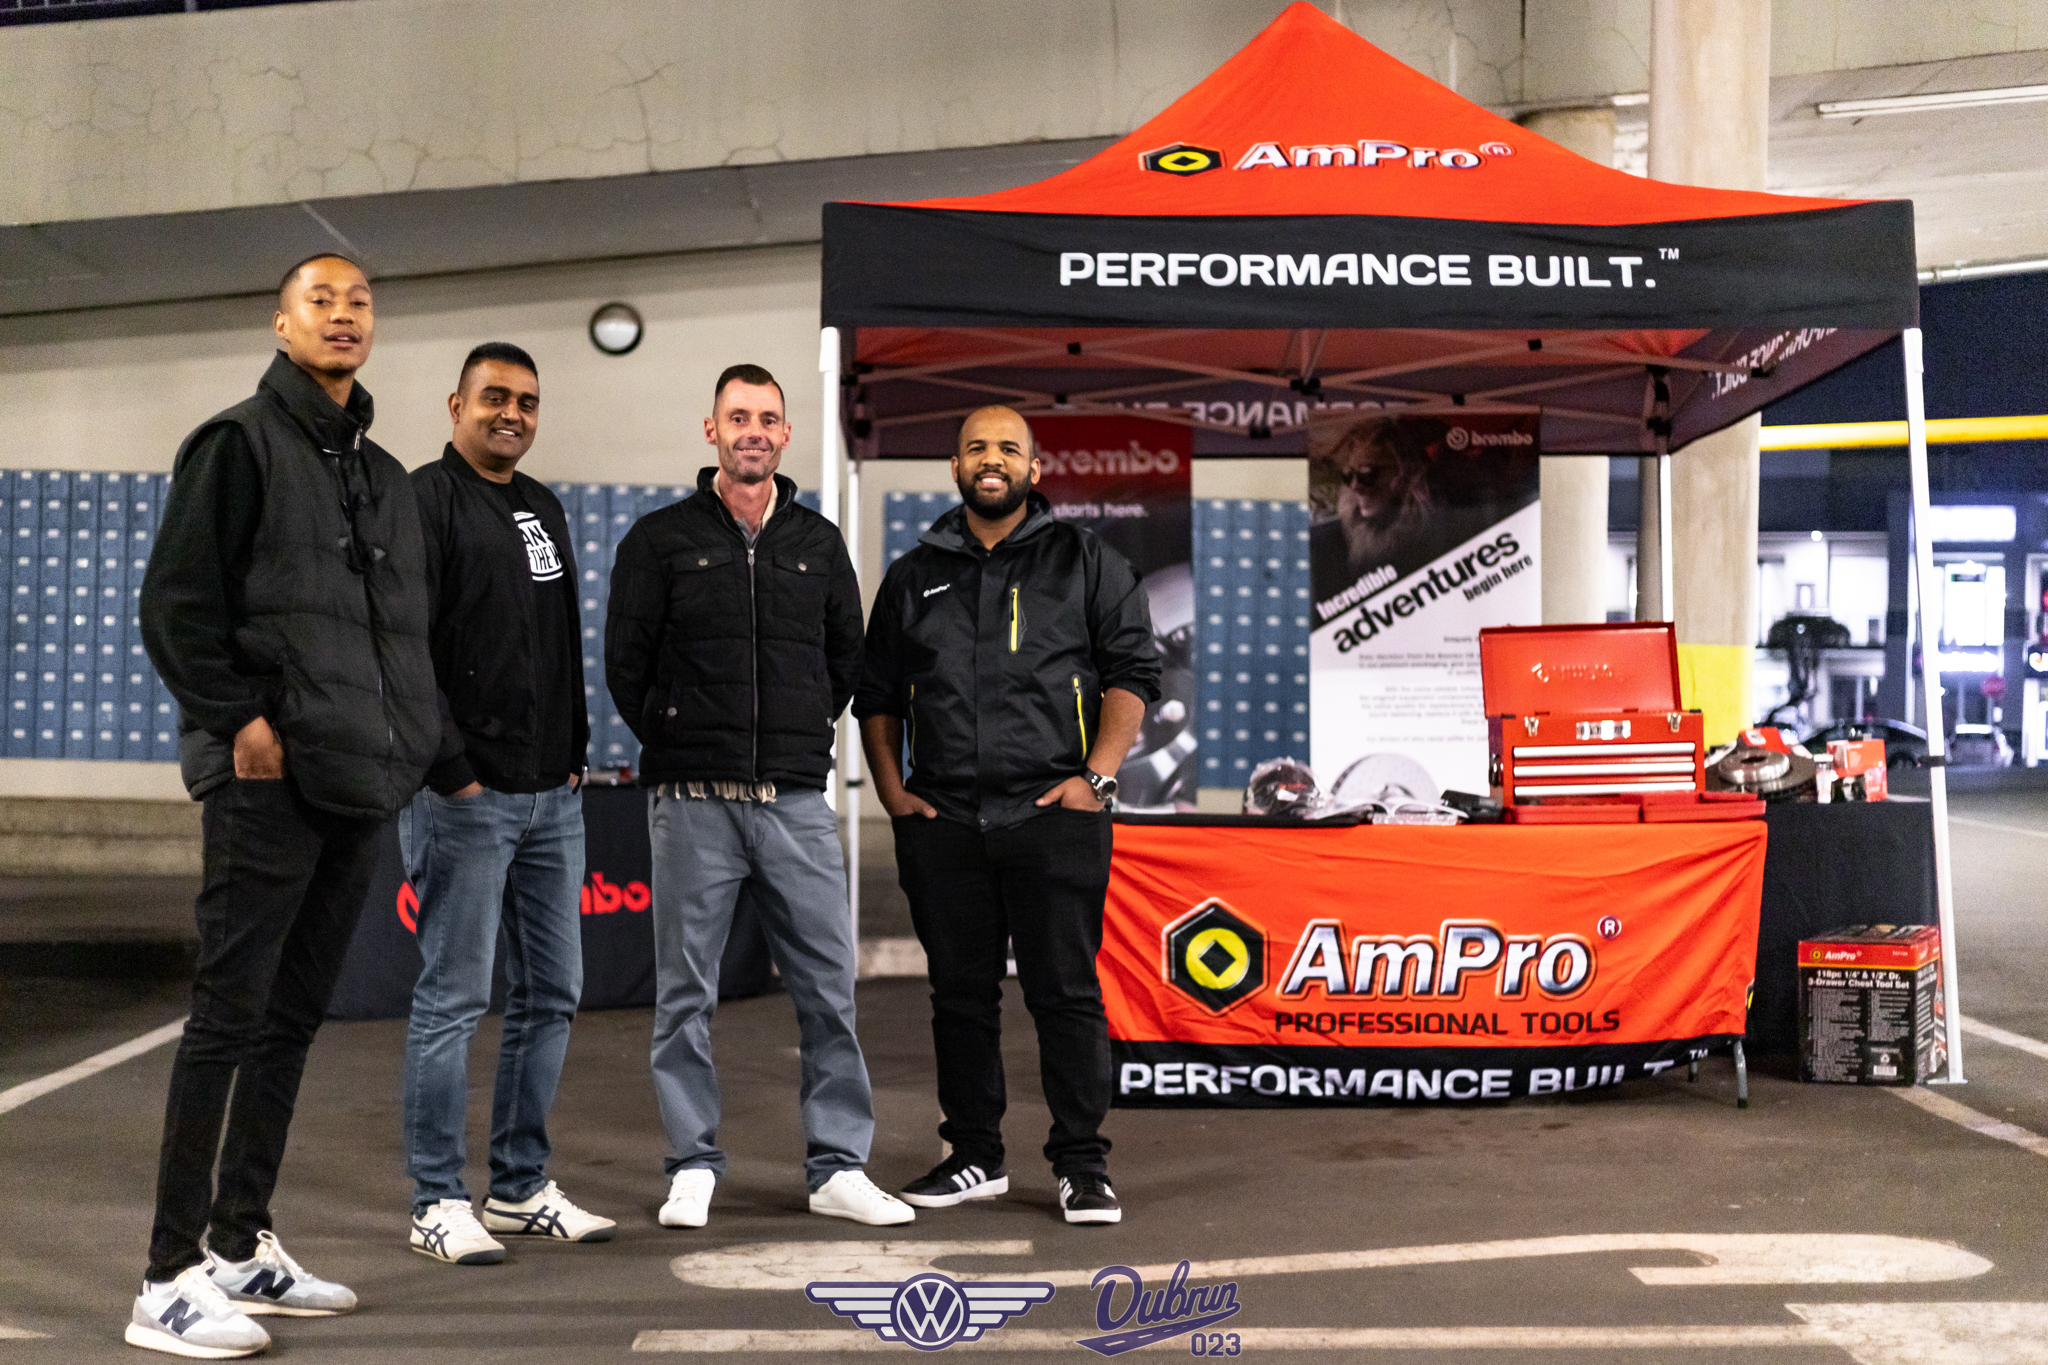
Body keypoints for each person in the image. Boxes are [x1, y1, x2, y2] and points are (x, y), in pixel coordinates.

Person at [131, 253, 441, 1357]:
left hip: (359, 780)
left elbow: (394, 634)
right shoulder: (237, 443)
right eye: (322, 300)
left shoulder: (381, 470)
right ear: (281, 322)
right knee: (227, 1017)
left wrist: (412, 741)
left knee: (291, 1017)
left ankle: (238, 1241)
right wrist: (242, 722)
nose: (343, 315)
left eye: (360, 301)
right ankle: (165, 1277)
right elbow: (176, 606)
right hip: (269, 778)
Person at [605, 363, 912, 1229]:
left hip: (793, 804)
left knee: (828, 991)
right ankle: (692, 1164)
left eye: (767, 418)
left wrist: (797, 732)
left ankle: (838, 1165)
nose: (753, 430)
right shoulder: (659, 540)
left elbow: (845, 660)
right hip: (691, 803)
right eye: (737, 416)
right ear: (712, 431)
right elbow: (626, 665)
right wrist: (678, 732)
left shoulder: (817, 542)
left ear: (785, 433)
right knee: (684, 998)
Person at [855, 404, 1160, 1226]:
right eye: (976, 448)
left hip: (1054, 816)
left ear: (1034, 467)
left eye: (1008, 448)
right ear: (955, 467)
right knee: (960, 997)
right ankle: (975, 1154)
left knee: (1065, 993)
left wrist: (1095, 777)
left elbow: (1133, 673)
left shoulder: (1086, 561)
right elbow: (877, 694)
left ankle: (1082, 1164)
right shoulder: (914, 574)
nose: (992, 459)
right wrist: (891, 789)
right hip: (945, 822)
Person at [400, 342, 614, 1266]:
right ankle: (436, 1198)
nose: (512, 413)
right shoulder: (424, 500)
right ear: (456, 405)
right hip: (466, 798)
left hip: (550, 797)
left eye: (526, 400)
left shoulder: (542, 506)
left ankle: (520, 1187)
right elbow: (405, 648)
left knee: (553, 991)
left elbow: (559, 639)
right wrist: (453, 769)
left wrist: (573, 755)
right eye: (494, 397)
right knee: (453, 999)